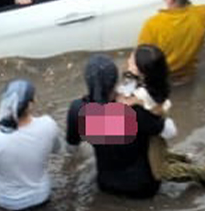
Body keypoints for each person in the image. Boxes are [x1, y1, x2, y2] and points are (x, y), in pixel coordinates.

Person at [119, 44, 205, 190]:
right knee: (160, 151)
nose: (128, 61)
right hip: (156, 123)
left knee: (160, 171)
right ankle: (187, 159)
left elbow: (123, 102)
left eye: (132, 61)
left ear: (142, 72)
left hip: (155, 128)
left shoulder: (142, 95)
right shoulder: (155, 83)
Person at [66, 54, 165, 199]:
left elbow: (72, 144)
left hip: (106, 185)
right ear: (115, 81)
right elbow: (161, 128)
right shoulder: (135, 111)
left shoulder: (78, 110)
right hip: (143, 187)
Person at [0, 79, 64, 211]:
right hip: (42, 197)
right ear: (31, 104)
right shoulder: (48, 124)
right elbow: (58, 150)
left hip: (8, 204)